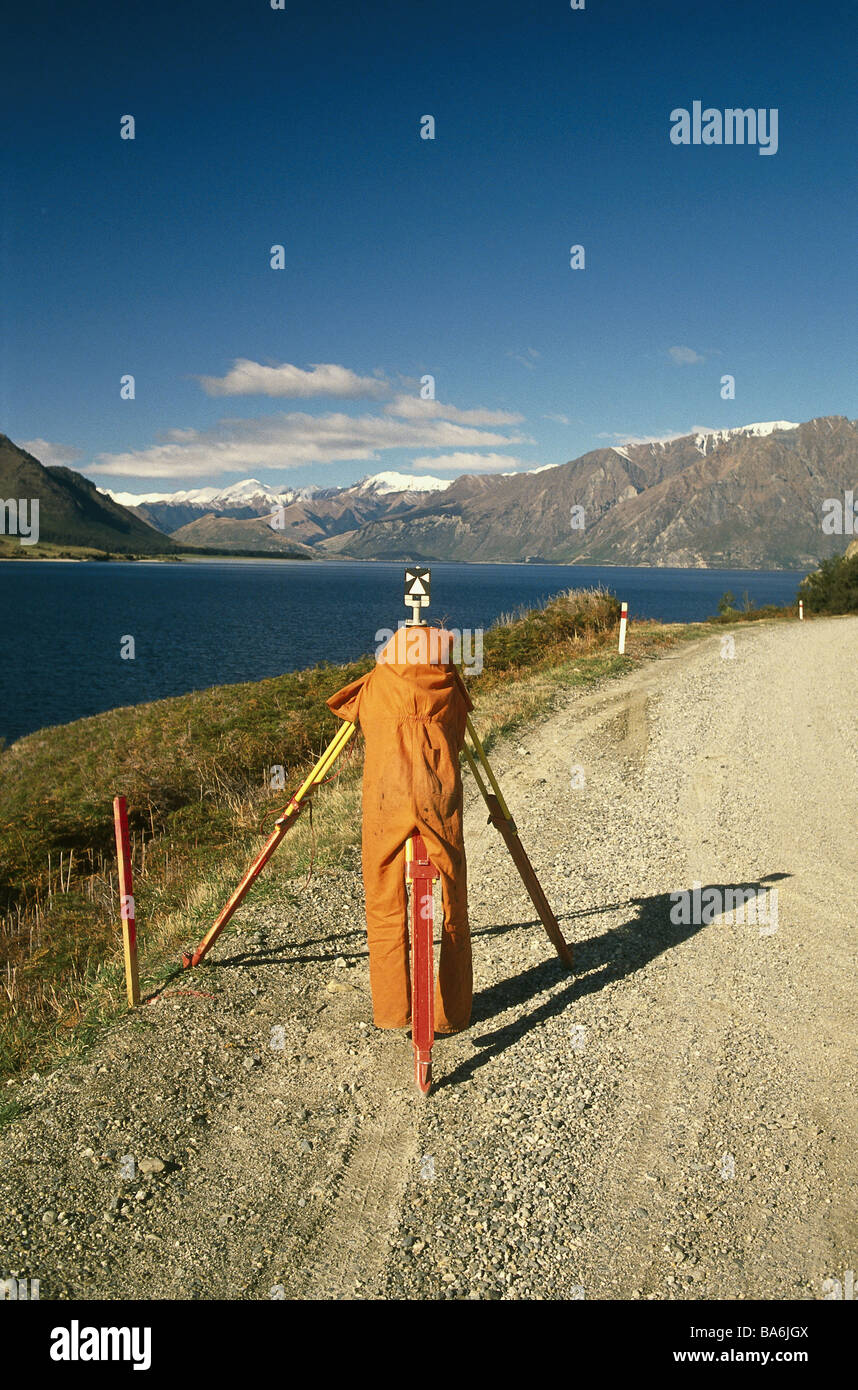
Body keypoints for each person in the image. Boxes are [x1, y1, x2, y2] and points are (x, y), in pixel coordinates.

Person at [326, 625, 472, 1033]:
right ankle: (452, 1011)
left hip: (386, 801)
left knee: (383, 901)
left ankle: (393, 1009)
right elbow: (459, 736)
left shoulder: (376, 685)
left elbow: (348, 708)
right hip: (437, 798)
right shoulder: (449, 687)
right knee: (453, 903)